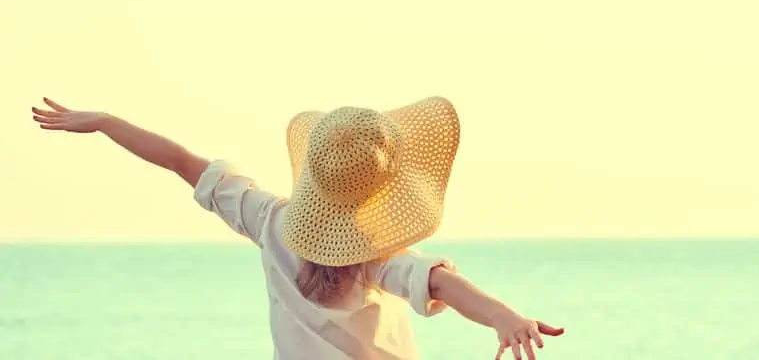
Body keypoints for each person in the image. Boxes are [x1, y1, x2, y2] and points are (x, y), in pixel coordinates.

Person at [31, 95, 564, 360]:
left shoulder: (268, 219)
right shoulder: (378, 253)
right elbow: (438, 282)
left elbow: (179, 160)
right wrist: (504, 317)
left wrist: (104, 123)